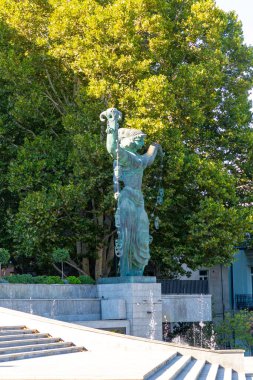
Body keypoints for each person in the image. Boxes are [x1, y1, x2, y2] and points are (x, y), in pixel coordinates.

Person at [104, 108, 161, 276]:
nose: (141, 143)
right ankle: (127, 271)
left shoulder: (138, 159)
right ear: (129, 140)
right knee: (128, 236)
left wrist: (154, 147)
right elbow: (112, 147)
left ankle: (138, 269)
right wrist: (112, 122)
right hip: (127, 197)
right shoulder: (125, 156)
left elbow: (149, 158)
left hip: (139, 200)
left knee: (142, 235)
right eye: (139, 140)